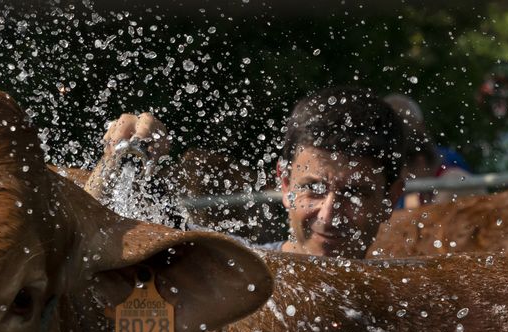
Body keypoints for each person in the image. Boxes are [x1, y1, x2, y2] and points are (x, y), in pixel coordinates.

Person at [92, 85, 407, 260]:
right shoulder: (231, 270)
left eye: (353, 193)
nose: (328, 214)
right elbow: (81, 260)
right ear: (284, 185)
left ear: (390, 199)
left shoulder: (409, 301)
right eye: (314, 189)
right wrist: (113, 162)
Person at [383, 93, 477, 208]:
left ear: (420, 161)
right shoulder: (418, 194)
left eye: (400, 171)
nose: (397, 178)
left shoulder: (454, 182)